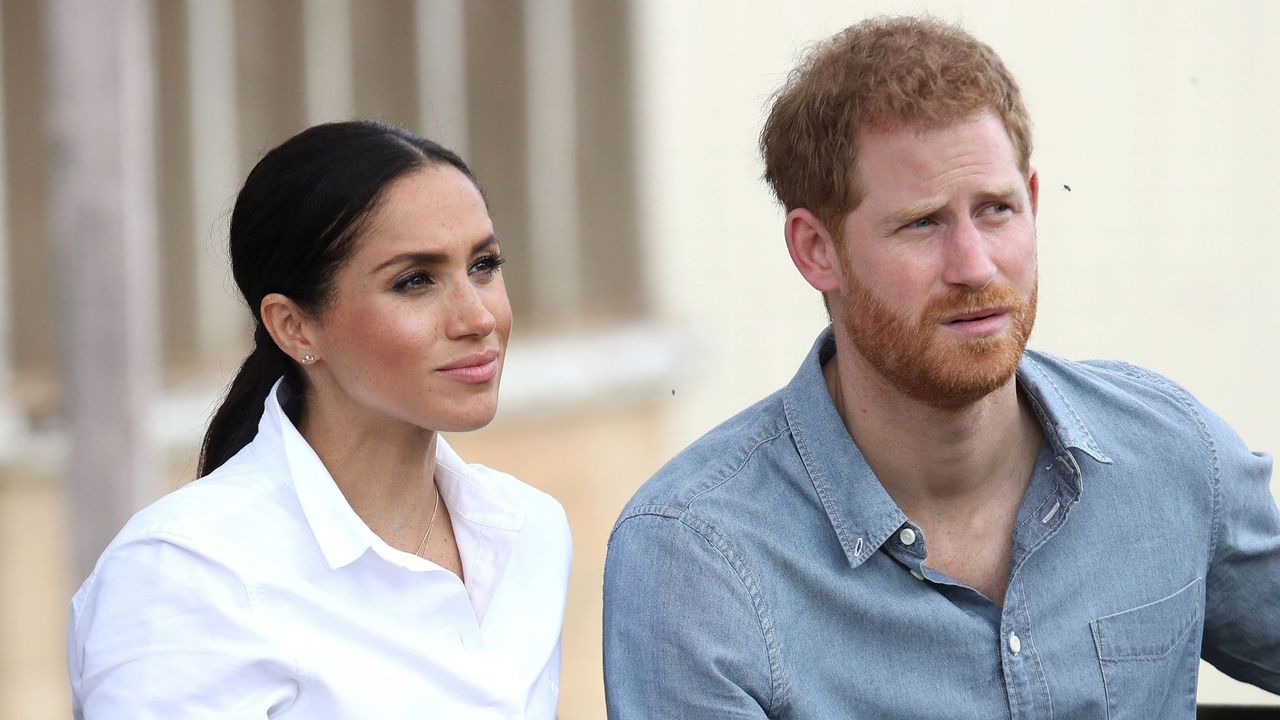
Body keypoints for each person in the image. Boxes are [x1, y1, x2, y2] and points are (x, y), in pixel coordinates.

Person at [603, 16, 1279, 719]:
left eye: (995, 210)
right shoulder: (697, 559)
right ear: (815, 250)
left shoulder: (1171, 457)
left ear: (1035, 202)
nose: (975, 266)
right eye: (923, 223)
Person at [67, 121, 571, 718]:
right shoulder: (187, 574)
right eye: (414, 281)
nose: (477, 317)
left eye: (484, 265)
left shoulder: (528, 532)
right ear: (294, 326)